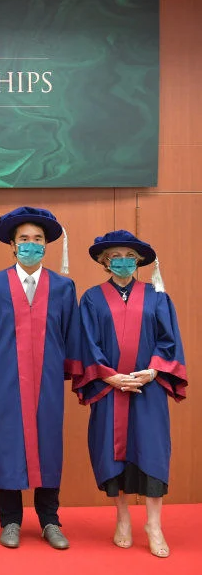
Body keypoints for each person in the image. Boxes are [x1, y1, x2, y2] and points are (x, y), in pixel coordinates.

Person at [0, 207, 82, 550]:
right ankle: (10, 521)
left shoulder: (64, 287)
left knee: (49, 444)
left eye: (37, 240)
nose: (30, 245)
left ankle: (50, 520)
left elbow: (71, 334)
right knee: (7, 445)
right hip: (6, 380)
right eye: (24, 240)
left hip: (47, 380)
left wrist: (63, 372)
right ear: (12, 245)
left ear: (46, 245)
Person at [74, 230, 187, 559]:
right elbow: (86, 343)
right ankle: (122, 519)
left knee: (152, 452)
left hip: (148, 390)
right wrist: (110, 378)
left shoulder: (157, 296)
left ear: (138, 261)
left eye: (129, 257)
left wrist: (152, 371)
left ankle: (154, 524)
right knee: (112, 453)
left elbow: (170, 341)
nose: (122, 262)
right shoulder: (92, 299)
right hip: (110, 390)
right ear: (104, 262)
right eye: (115, 257)